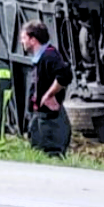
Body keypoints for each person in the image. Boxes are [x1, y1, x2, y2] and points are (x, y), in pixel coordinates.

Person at [20, 20, 73, 157]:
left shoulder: (50, 56)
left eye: (24, 38)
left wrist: (50, 94)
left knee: (51, 156)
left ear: (33, 40)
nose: (22, 42)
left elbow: (65, 75)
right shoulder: (41, 58)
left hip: (50, 122)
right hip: (41, 119)